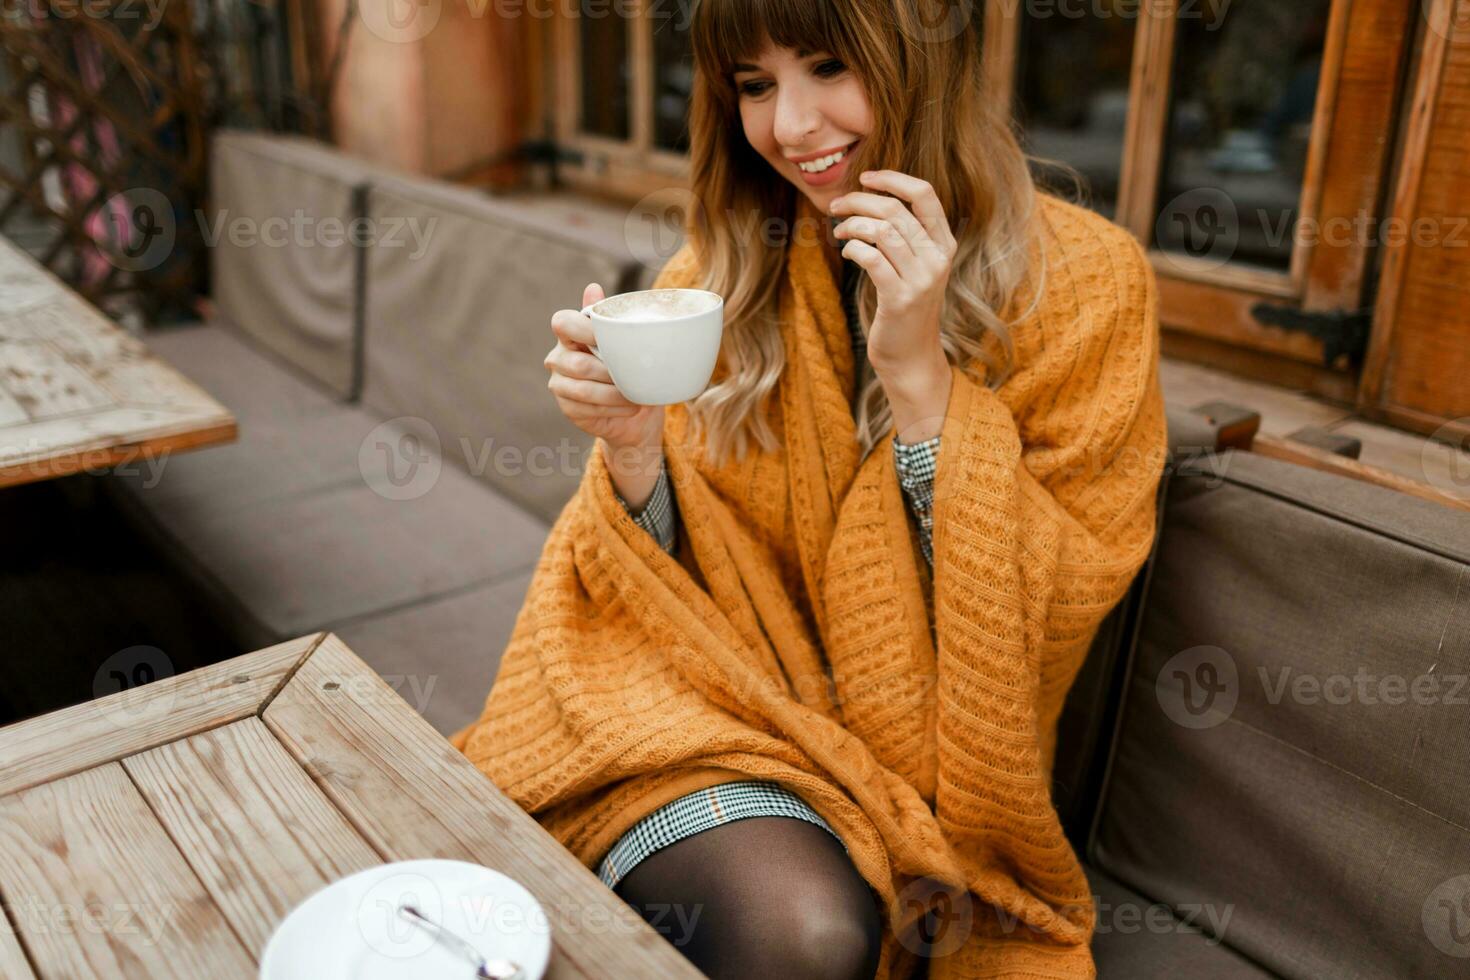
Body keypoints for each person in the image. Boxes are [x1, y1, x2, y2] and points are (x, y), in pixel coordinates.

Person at [452, 2, 1169, 977]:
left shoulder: (1086, 286)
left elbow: (1054, 601)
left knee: (815, 933)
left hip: (905, 759)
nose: (790, 125)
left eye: (829, 66)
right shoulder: (717, 274)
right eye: (754, 84)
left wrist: (925, 390)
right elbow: (654, 585)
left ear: (927, 65)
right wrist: (631, 452)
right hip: (703, 701)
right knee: (805, 927)